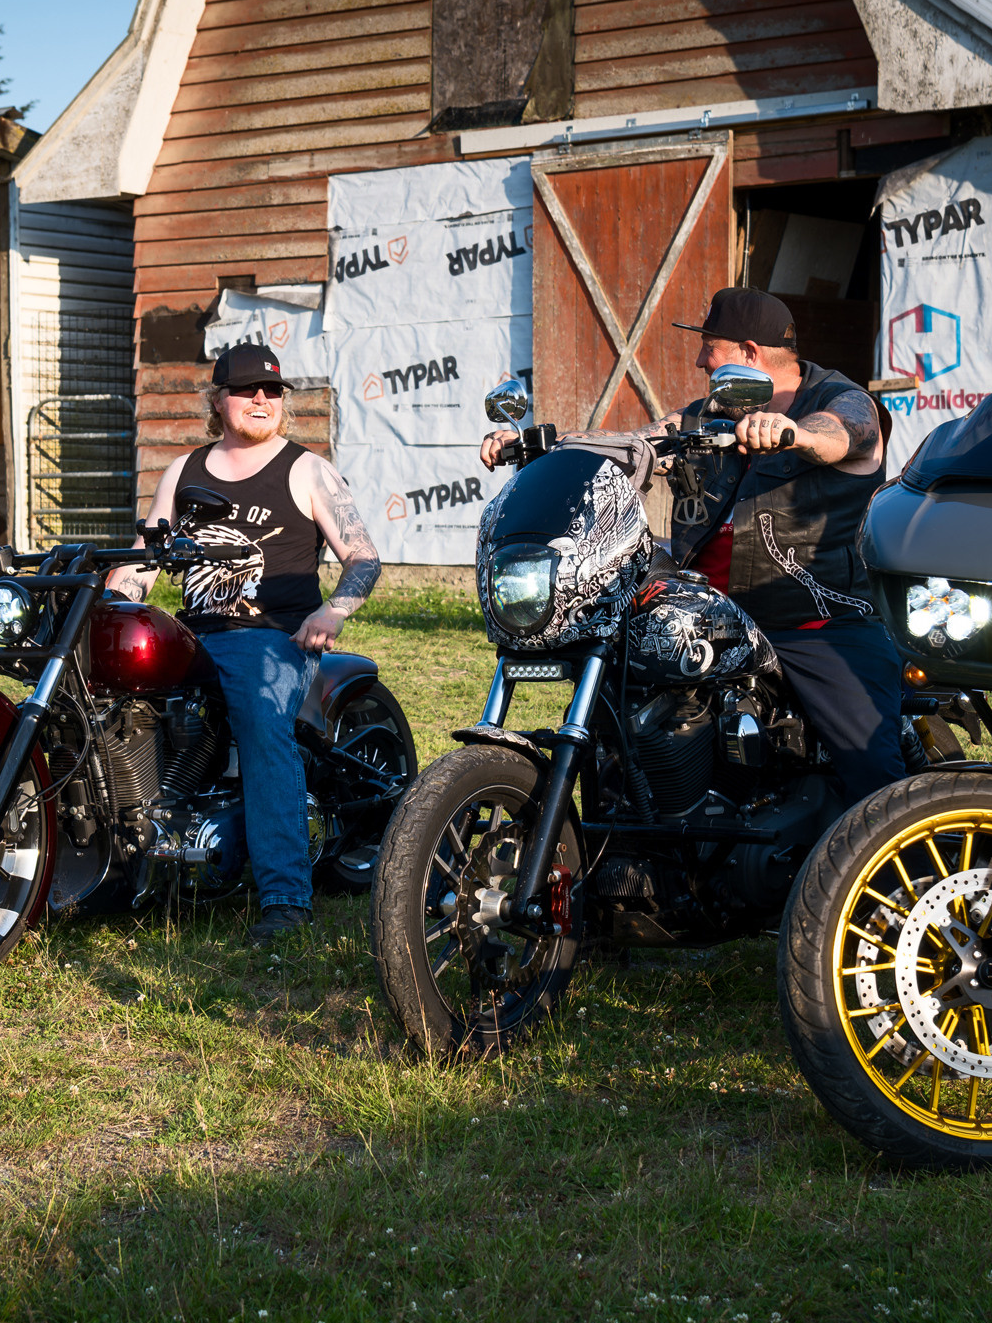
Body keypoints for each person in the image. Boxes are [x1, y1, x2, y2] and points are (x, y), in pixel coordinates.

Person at [478, 286, 907, 802]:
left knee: (874, 776)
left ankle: (907, 857)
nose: (701, 359)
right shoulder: (709, 413)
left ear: (750, 354)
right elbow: (635, 443)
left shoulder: (842, 401)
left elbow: (840, 434)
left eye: (711, 346)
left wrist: (791, 431)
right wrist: (540, 444)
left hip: (813, 622)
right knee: (622, 726)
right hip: (712, 618)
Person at [109, 343, 385, 945]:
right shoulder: (184, 471)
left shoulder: (306, 470)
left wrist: (332, 610)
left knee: (261, 721)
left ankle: (285, 897)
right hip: (194, 632)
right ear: (218, 400)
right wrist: (115, 598)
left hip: (271, 638)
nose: (261, 399)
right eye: (246, 390)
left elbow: (362, 558)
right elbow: (144, 562)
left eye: (272, 391)